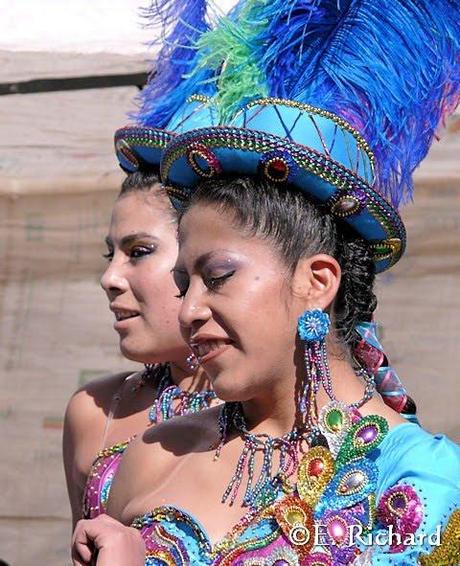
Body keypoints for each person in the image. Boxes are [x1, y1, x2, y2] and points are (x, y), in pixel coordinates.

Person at [74, 0, 460, 564]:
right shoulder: (153, 454)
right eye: (185, 282)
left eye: (219, 277)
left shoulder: (419, 486)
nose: (189, 312)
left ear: (318, 281)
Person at [63, 171, 216, 528]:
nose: (109, 278)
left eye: (138, 252)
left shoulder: (283, 410)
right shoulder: (94, 412)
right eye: (110, 253)